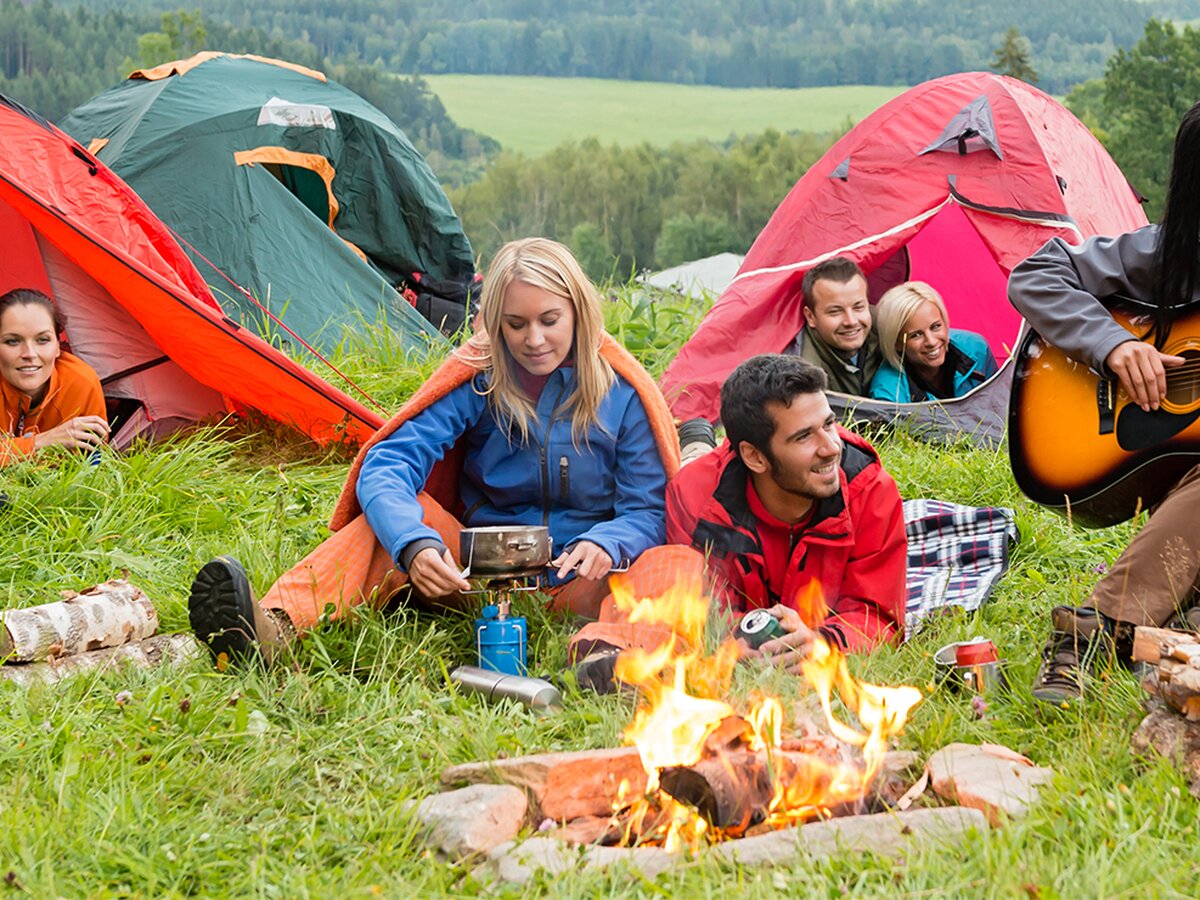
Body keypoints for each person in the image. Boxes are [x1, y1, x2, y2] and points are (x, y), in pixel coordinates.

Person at [187, 237, 686, 665]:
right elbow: (388, 463)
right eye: (515, 324)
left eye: (550, 320)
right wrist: (415, 545)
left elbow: (648, 508)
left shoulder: (621, 391)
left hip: (584, 577)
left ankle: (611, 658)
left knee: (672, 561)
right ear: (494, 324)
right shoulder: (481, 378)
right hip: (478, 575)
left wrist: (609, 542)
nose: (534, 340)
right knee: (400, 521)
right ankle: (273, 627)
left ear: (579, 312)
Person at [1008, 100, 1200, 704]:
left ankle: (1147, 631)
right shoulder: (1170, 253)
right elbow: (1034, 276)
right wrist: (1113, 345)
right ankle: (1091, 637)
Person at [569, 354, 906, 679]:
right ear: (755, 457)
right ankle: (616, 659)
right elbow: (695, 602)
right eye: (804, 436)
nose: (831, 447)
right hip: (718, 476)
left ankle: (698, 436)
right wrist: (733, 639)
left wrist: (823, 642)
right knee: (669, 559)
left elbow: (876, 614)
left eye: (829, 423)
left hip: (813, 620)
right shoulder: (694, 494)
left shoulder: (870, 489)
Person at [0, 288, 108, 464]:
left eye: (42, 340)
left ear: (58, 346)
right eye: (12, 341)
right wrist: (40, 442)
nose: (30, 353)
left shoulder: (82, 384)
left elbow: (95, 466)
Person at [868, 281, 997, 402]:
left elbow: (1002, 403)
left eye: (936, 326)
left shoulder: (976, 349)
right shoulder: (888, 394)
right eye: (916, 335)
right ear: (897, 343)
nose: (931, 341)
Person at [785, 257, 881, 396]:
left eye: (858, 307)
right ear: (811, 317)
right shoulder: (801, 370)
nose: (851, 321)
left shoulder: (890, 331)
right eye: (835, 311)